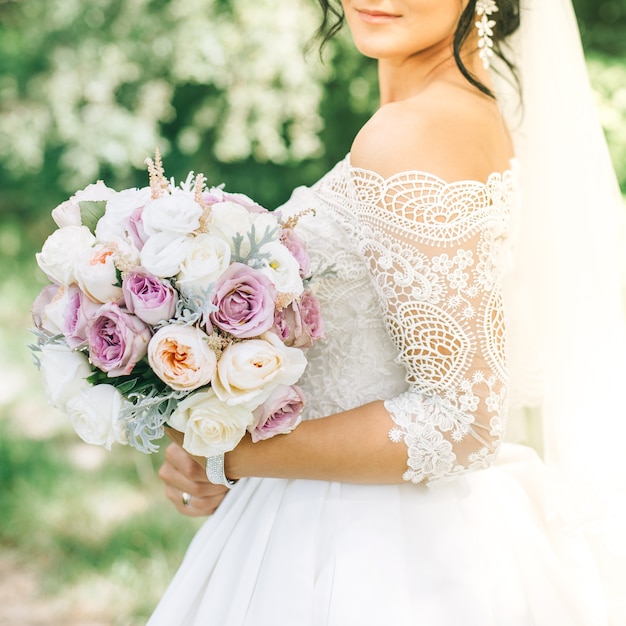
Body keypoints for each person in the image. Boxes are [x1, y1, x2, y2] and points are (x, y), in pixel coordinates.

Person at [148, 0, 626, 624]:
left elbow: (462, 421)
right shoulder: (467, 113)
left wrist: (226, 452)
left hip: (375, 558)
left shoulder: (418, 131)